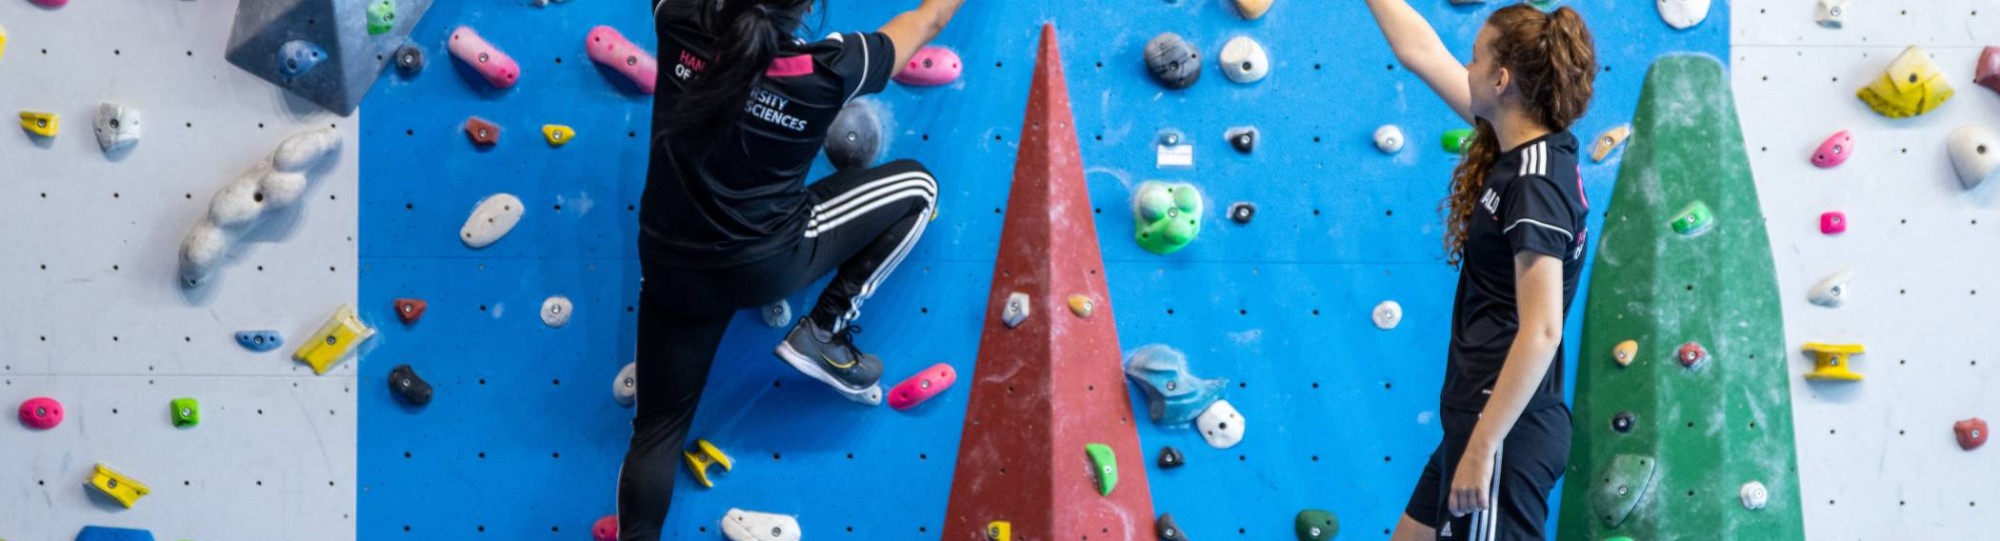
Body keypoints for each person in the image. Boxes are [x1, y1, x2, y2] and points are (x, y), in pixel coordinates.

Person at [622, 0, 967, 537]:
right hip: (767, 260)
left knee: (657, 431)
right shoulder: (830, 69)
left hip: (672, 267)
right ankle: (824, 330)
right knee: (918, 187)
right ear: (807, 7)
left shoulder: (679, 22)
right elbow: (930, 19)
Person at [1363, 2, 1597, 540]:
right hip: (1477, 421)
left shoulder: (1534, 184)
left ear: (1502, 79)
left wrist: (1485, 446)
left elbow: (1542, 329)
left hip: (1502, 433)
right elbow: (1418, 51)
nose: (1464, 68)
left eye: (1473, 59)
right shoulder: (1518, 145)